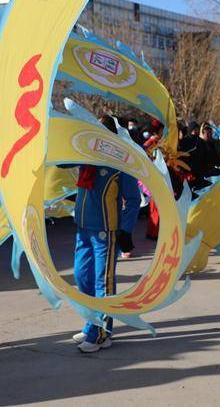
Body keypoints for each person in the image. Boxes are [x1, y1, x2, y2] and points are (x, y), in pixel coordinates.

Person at [72, 115, 141, 353]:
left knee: (103, 283)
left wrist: (126, 231)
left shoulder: (120, 162)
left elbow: (133, 199)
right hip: (83, 228)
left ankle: (102, 333)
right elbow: (61, 161)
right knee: (83, 279)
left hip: (104, 231)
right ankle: (91, 323)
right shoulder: (85, 156)